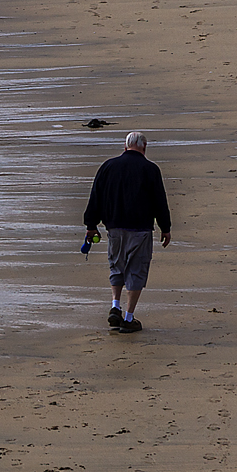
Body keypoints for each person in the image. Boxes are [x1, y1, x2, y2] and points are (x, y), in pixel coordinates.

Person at [82, 131, 172, 333]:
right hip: (140, 228)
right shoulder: (151, 169)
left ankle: (115, 305)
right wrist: (165, 228)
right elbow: (160, 201)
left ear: (124, 147)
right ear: (144, 148)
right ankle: (129, 318)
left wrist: (91, 225)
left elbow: (95, 196)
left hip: (114, 226)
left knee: (117, 266)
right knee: (136, 271)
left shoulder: (108, 166)